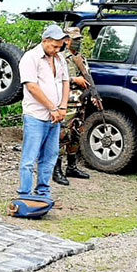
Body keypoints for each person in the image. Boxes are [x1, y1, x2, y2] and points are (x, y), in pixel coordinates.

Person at [16, 24, 70, 203]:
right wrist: (51, 107)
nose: (56, 50)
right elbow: (31, 86)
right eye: (53, 46)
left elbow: (65, 82)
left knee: (50, 156)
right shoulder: (30, 58)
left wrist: (62, 107)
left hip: (55, 117)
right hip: (36, 115)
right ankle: (24, 194)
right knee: (30, 158)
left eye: (59, 47)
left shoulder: (60, 58)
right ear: (45, 41)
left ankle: (43, 194)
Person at [53, 27, 95, 185]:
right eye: (75, 39)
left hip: (80, 103)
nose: (78, 42)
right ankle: (56, 170)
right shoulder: (59, 57)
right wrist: (73, 80)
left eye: (79, 40)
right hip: (66, 103)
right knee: (61, 136)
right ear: (66, 40)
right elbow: (53, 78)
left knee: (76, 135)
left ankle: (71, 167)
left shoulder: (80, 58)